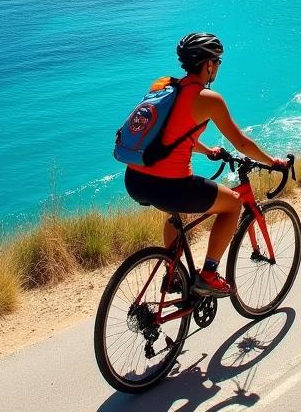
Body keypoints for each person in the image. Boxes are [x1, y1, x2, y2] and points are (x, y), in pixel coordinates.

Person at [123, 33, 287, 297]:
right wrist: (273, 162)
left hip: (135, 179)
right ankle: (208, 274)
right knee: (233, 203)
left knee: (175, 215)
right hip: (170, 187)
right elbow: (242, 144)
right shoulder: (208, 98)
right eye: (218, 61)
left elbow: (168, 136)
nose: (219, 66)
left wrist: (206, 150)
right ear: (208, 65)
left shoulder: (164, 87)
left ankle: (173, 274)